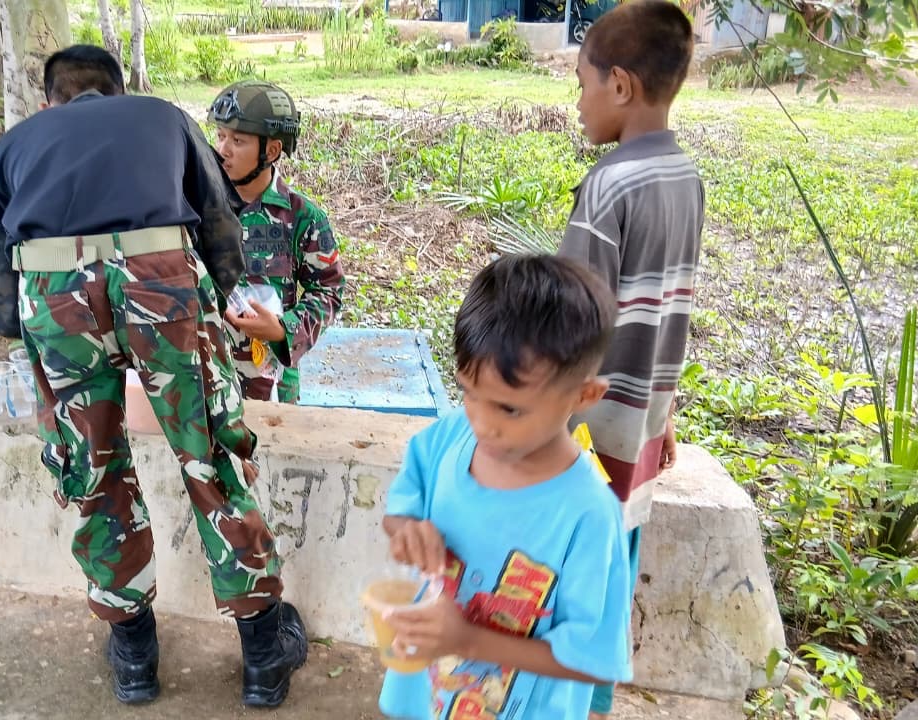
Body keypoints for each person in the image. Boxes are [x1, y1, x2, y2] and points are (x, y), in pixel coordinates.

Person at [0, 44, 307, 708]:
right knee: (208, 457)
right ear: (120, 92)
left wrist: (47, 337)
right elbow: (218, 225)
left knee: (95, 469)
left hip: (53, 288)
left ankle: (134, 653)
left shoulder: (12, 146)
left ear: (49, 103)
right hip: (161, 278)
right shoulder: (163, 119)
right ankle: (263, 654)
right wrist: (209, 311)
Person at [377, 254, 632, 719]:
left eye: (509, 409)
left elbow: (589, 658)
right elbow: (400, 510)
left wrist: (468, 641)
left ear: (584, 395)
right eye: (468, 394)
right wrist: (407, 530)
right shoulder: (445, 441)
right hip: (428, 700)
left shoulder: (589, 514)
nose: (481, 424)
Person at [554, 2, 704, 716]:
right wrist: (664, 412)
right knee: (617, 566)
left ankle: (564, 701)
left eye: (581, 83)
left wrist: (538, 427)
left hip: (588, 433)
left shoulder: (609, 185)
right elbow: (673, 309)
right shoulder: (686, 179)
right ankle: (596, 704)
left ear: (619, 85)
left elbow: (568, 325)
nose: (577, 101)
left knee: (571, 577)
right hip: (641, 426)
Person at [208, 79, 344, 403]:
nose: (223, 150)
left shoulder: (303, 218)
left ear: (270, 151)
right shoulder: (197, 211)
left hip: (270, 385)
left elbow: (329, 291)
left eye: (238, 140)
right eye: (220, 136)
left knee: (270, 453)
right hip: (207, 379)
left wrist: (285, 329)